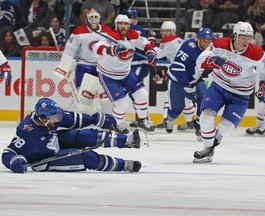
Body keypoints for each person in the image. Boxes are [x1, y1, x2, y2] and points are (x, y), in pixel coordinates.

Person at [193, 21, 265, 163]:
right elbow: (201, 60)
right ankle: (207, 148)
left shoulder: (256, 53)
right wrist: (211, 61)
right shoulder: (219, 44)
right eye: (243, 37)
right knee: (206, 117)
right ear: (235, 36)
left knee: (227, 128)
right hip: (219, 86)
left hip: (241, 94)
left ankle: (216, 139)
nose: (247, 41)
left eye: (249, 37)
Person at [1, 98, 148, 173]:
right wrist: (14, 161)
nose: (57, 120)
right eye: (54, 119)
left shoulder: (52, 116)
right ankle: (124, 165)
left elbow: (73, 119)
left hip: (55, 139)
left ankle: (128, 141)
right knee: (88, 158)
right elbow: (8, 153)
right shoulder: (26, 131)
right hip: (45, 160)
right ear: (43, 119)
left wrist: (94, 119)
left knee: (86, 135)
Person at [93, 14, 157, 134]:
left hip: (126, 73)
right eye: (121, 24)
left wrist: (151, 53)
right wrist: (110, 50)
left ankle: (142, 120)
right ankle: (115, 124)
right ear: (116, 25)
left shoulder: (133, 35)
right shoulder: (110, 36)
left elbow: (146, 44)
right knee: (122, 102)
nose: (123, 26)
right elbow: (96, 47)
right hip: (108, 75)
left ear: (129, 25)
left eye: (126, 24)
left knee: (142, 94)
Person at [163, 27, 213, 139]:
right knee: (177, 108)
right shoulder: (189, 47)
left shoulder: (210, 49)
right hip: (177, 80)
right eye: (204, 40)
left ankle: (200, 129)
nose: (206, 43)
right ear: (198, 39)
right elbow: (177, 68)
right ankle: (169, 119)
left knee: (204, 101)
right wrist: (186, 84)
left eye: (209, 40)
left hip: (195, 79)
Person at [62, 8, 112, 114]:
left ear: (99, 18)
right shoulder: (79, 31)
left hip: (101, 67)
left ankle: (109, 119)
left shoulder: (107, 31)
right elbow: (70, 50)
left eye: (95, 17)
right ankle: (77, 117)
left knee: (106, 96)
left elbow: (113, 48)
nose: (93, 20)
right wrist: (65, 66)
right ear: (86, 18)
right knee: (83, 96)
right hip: (84, 66)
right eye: (91, 17)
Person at [122, 8, 153, 128]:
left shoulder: (138, 29)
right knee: (134, 93)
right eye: (129, 18)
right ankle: (140, 118)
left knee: (137, 92)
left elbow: (144, 44)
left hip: (139, 64)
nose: (132, 20)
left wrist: (149, 39)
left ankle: (141, 117)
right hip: (131, 65)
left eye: (133, 18)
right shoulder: (128, 31)